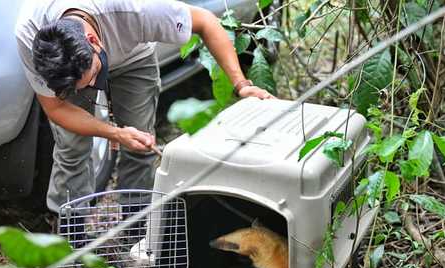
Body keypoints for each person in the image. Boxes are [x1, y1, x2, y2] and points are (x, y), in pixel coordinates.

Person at [15, 0, 274, 214]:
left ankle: (136, 224)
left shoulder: (133, 9)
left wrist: (241, 84)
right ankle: (73, 237)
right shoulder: (31, 36)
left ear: (93, 40)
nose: (94, 87)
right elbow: (57, 109)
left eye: (94, 75)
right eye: (85, 85)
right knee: (71, 149)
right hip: (73, 70)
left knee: (141, 143)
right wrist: (115, 133)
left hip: (133, 56)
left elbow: (206, 21)